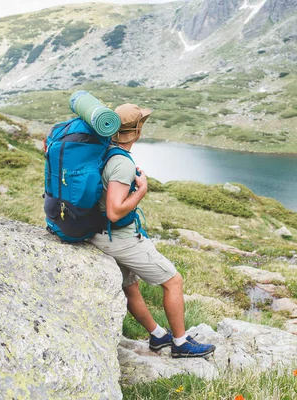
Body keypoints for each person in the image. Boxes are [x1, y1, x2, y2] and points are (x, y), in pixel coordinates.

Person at [88, 103, 215, 358]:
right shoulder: (121, 164)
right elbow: (114, 210)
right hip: (118, 236)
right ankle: (180, 343)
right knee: (173, 281)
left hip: (99, 232)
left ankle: (158, 335)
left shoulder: (104, 150)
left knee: (130, 286)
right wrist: (142, 191)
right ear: (136, 131)